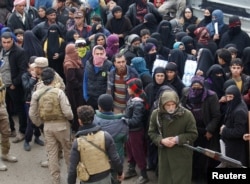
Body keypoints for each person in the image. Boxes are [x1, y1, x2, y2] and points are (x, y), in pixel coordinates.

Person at [29, 67, 73, 184]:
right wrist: (70, 120)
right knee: (68, 152)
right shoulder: (59, 92)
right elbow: (68, 112)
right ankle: (71, 178)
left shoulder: (36, 94)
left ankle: (55, 180)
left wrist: (40, 123)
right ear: (54, 79)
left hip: (47, 127)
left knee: (52, 154)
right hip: (62, 125)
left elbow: (32, 114)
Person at [148, 89, 198, 184]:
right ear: (162, 104)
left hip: (182, 156)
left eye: (173, 104)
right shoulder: (156, 114)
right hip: (165, 155)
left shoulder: (187, 115)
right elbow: (151, 132)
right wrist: (161, 141)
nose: (171, 108)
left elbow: (193, 134)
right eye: (168, 105)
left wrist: (177, 139)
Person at [67, 105, 124, 184]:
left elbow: (72, 170)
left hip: (87, 180)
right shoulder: (105, 136)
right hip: (105, 179)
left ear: (80, 121)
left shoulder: (77, 143)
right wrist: (120, 173)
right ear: (93, 118)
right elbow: (115, 158)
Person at [181, 75, 221, 183]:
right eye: (194, 87)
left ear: (203, 86)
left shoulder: (211, 96)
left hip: (205, 131)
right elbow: (181, 109)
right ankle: (192, 175)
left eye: (199, 87)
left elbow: (216, 115)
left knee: (203, 156)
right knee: (191, 153)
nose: (196, 89)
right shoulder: (186, 94)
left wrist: (210, 130)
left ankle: (201, 177)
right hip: (190, 130)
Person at [93, 94, 128, 184]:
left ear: (99, 107)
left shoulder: (94, 121)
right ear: (112, 106)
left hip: (99, 158)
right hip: (116, 158)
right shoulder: (122, 122)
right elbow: (125, 139)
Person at [0, 31, 28, 142]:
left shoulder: (19, 52)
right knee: (5, 108)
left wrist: (14, 83)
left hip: (14, 86)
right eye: (4, 42)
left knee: (19, 109)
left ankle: (22, 131)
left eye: (8, 42)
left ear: (12, 40)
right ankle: (10, 129)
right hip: (3, 86)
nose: (6, 44)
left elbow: (23, 70)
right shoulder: (1, 51)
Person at [123, 78, 149, 184]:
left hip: (136, 132)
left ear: (134, 89)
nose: (127, 89)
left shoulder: (138, 103)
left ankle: (144, 174)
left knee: (138, 152)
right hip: (131, 131)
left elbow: (136, 120)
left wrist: (124, 120)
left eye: (129, 87)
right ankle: (131, 168)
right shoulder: (133, 98)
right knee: (130, 150)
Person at [219, 85, 248, 167]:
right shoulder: (235, 105)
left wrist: (224, 130)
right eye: (227, 97)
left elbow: (239, 131)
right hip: (230, 145)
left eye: (231, 97)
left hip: (235, 149)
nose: (228, 99)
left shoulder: (239, 111)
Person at [22, 57, 44, 151]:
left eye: (35, 69)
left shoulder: (41, 77)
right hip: (29, 102)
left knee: (38, 121)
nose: (34, 71)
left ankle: (37, 137)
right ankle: (27, 140)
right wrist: (33, 78)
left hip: (39, 102)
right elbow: (26, 88)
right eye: (32, 69)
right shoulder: (25, 76)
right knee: (31, 122)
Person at [63, 43, 84, 132]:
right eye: (74, 50)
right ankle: (76, 127)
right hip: (74, 91)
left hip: (78, 90)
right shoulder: (69, 64)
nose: (76, 51)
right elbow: (71, 79)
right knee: (75, 108)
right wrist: (80, 85)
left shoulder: (76, 60)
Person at [0, 75, 18, 171]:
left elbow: (3, 88)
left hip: (1, 106)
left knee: (6, 132)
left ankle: (5, 153)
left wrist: (3, 104)